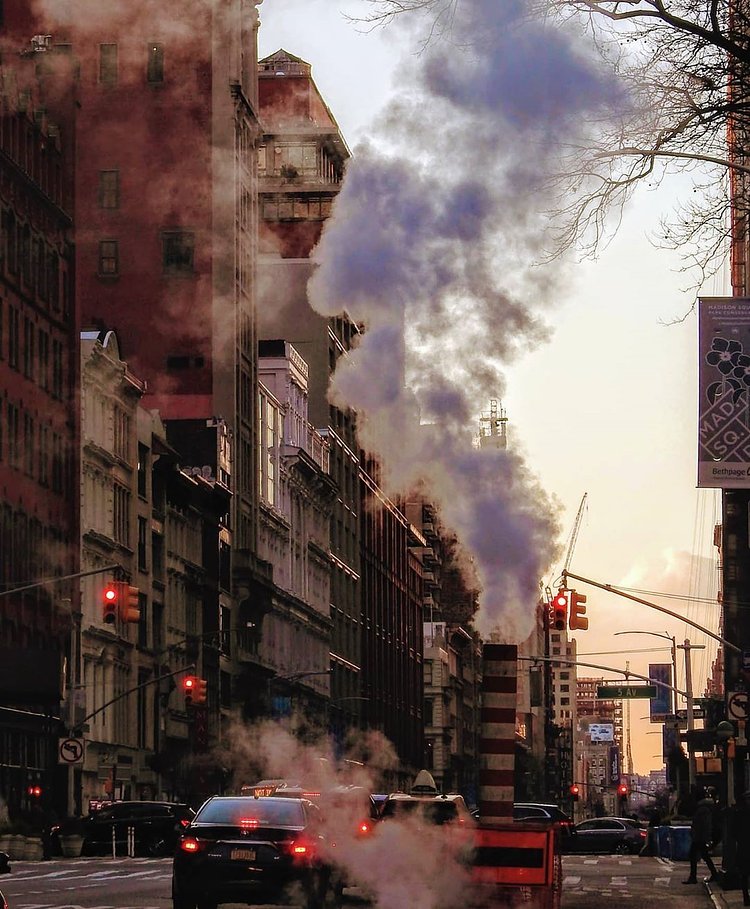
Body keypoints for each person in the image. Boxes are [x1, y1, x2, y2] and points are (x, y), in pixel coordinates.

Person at [683, 787, 719, 885]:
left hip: (699, 837)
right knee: (704, 856)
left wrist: (705, 837)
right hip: (699, 836)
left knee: (693, 855)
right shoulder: (703, 808)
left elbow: (704, 825)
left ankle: (693, 877)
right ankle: (713, 874)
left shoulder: (702, 809)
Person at [731, 791, 750, 906]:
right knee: (744, 873)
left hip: (744, 846)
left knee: (744, 873)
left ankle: (746, 898)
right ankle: (746, 897)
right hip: (744, 846)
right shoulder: (739, 814)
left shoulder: (738, 813)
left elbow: (734, 832)